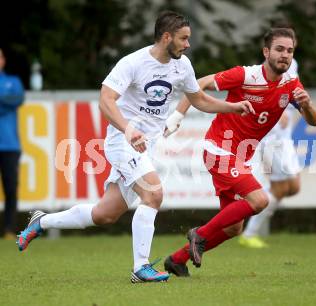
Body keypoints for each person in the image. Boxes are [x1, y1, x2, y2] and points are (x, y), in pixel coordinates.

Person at [16, 11, 254, 283]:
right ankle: (141, 268)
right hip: (122, 141)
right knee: (154, 194)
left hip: (145, 146)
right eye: (183, 38)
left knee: (105, 214)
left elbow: (198, 98)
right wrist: (128, 129)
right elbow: (106, 99)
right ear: (166, 37)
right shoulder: (133, 63)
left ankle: (41, 221)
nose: (188, 44)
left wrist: (232, 107)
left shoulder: (182, 65)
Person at [162, 27, 316, 277]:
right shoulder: (246, 75)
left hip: (240, 155)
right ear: (266, 52)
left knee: (234, 228)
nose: (285, 55)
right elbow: (199, 84)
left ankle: (177, 260)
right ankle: (198, 235)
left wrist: (308, 105)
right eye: (279, 49)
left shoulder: (291, 83)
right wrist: (178, 115)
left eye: (289, 51)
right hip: (219, 149)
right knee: (260, 200)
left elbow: (313, 121)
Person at [238, 60, 301, 248]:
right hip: (272, 140)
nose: (286, 52)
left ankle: (249, 203)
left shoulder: (292, 64)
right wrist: (275, 109)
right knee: (280, 189)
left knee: (293, 188)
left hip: (285, 140)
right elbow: (260, 93)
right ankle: (248, 232)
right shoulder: (268, 68)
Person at [0, 48, 25, 240]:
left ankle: (9, 229)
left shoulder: (13, 82)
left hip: (9, 145)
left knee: (10, 189)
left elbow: (17, 99)